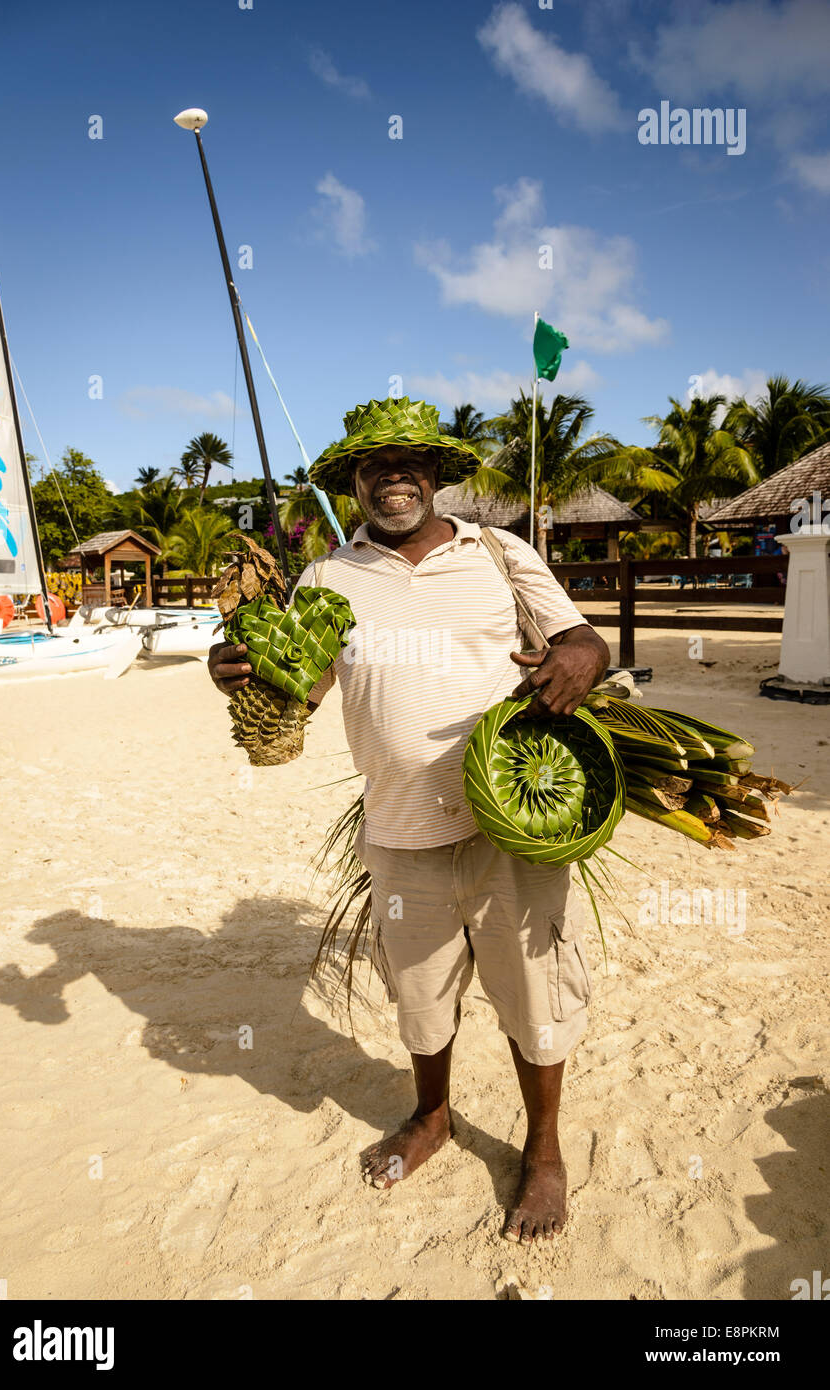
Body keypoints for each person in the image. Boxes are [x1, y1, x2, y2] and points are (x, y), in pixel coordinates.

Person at [208, 398, 610, 1244]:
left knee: (534, 990)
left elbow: (582, 641)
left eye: (409, 462)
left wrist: (577, 656)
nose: (392, 476)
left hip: (513, 824)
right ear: (352, 483)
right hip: (396, 829)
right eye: (371, 465)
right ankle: (432, 1117)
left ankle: (542, 1150)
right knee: (420, 999)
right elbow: (299, 692)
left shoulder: (499, 553)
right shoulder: (326, 578)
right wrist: (241, 674)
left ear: (435, 475)